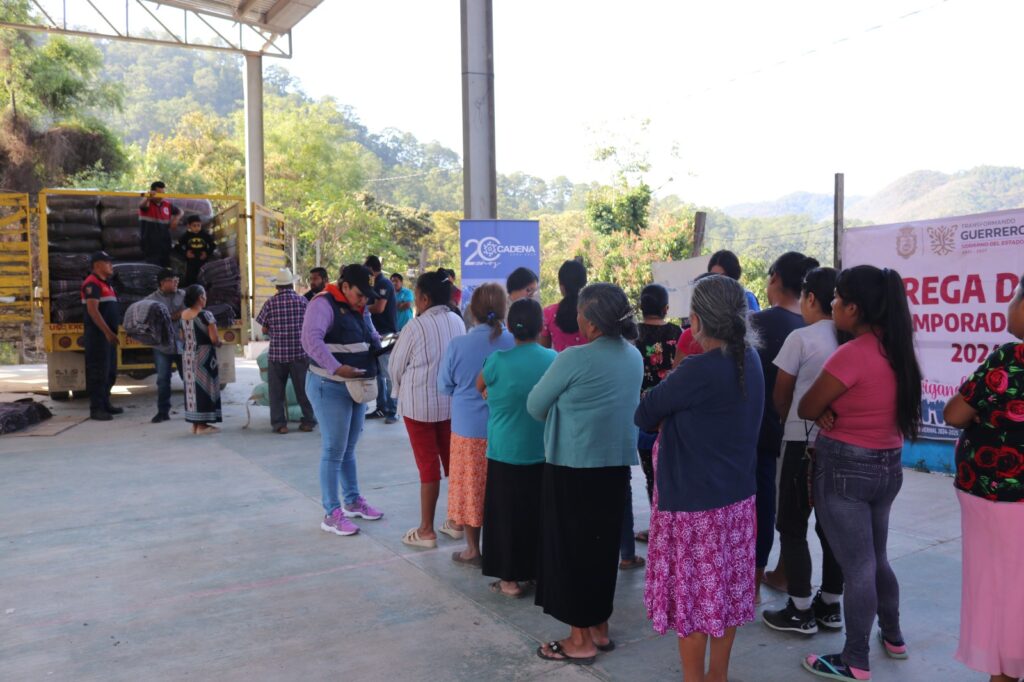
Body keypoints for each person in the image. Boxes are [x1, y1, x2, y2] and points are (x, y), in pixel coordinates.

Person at [635, 274, 763, 682]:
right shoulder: (750, 360)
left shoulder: (697, 370)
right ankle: (717, 676)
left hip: (695, 510)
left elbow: (645, 414)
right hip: (737, 503)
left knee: (692, 607)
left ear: (696, 322)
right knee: (722, 597)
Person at [798, 265, 922, 681]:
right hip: (888, 466)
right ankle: (893, 635)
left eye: (836, 298)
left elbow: (807, 408)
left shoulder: (853, 353)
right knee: (876, 558)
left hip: (846, 469)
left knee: (859, 568)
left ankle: (854, 660)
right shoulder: (899, 351)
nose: (832, 304)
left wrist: (829, 411)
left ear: (854, 307)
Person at [527, 282, 643, 664]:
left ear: (591, 322)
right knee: (601, 551)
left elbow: (535, 405)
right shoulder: (633, 356)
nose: (574, 317)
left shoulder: (574, 358)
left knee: (571, 552)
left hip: (573, 467)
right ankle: (600, 629)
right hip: (614, 469)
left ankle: (580, 640)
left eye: (579, 312)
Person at [943, 273, 1024, 682]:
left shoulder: (1011, 358)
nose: (1010, 303)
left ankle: (1005, 673)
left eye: (1014, 296)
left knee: (1002, 591)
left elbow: (955, 413)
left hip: (1000, 498)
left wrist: (983, 412)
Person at [762, 267, 844, 636]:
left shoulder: (801, 337)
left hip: (799, 438)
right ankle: (830, 604)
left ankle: (799, 608)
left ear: (811, 299)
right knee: (832, 527)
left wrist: (786, 417)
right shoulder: (849, 338)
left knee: (792, 524)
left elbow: (782, 392)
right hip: (840, 442)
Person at [750, 251, 819, 599]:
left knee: (758, 501)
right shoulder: (818, 327)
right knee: (792, 508)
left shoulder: (756, 323)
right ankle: (776, 572)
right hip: (805, 431)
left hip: (758, 430)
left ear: (774, 277)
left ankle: (754, 574)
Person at [478, 298, 556, 597]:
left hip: (504, 451)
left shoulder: (498, 360)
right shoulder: (552, 359)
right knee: (537, 514)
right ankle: (537, 572)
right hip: (542, 451)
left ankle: (509, 580)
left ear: (510, 327)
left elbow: (478, 386)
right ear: (541, 327)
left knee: (505, 516)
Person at [300, 264, 384, 537]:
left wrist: (379, 343)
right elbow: (311, 341)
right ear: (345, 286)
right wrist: (336, 367)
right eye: (360, 295)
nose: (363, 301)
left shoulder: (359, 307)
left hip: (356, 384)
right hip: (329, 384)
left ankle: (352, 501)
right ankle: (331, 513)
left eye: (366, 297)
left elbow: (370, 332)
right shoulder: (322, 304)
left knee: (348, 448)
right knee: (333, 450)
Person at [389, 270, 467, 549]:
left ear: (423, 298)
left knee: (428, 468)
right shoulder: (457, 322)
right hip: (451, 405)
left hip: (419, 407)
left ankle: (426, 531)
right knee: (454, 464)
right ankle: (458, 522)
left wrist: (399, 392)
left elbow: (395, 367)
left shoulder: (415, 326)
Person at [437, 283, 514, 565]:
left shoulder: (459, 344)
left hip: (468, 429)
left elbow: (444, 385)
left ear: (472, 311)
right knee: (500, 489)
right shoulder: (513, 342)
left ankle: (473, 549)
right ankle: (501, 548)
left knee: (470, 490)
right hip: (505, 428)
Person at [631, 284, 682, 545]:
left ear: (641, 307)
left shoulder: (633, 337)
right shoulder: (678, 334)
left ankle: (658, 528)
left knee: (652, 477)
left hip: (644, 417)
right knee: (673, 475)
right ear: (666, 309)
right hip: (674, 416)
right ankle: (674, 528)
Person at [256, 267, 316, 435]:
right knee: (303, 390)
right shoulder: (303, 301)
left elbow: (264, 329)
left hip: (277, 355)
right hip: (299, 353)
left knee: (276, 392)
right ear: (292, 285)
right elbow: (310, 326)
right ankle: (309, 421)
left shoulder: (270, 303)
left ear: (277, 287)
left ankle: (279, 424)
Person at [81, 251, 122, 421]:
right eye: (108, 263)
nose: (111, 266)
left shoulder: (107, 284)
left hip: (107, 336)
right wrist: (107, 332)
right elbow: (92, 310)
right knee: (98, 372)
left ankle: (105, 403)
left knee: (109, 371)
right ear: (97, 265)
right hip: (98, 336)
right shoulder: (92, 284)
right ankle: (96, 409)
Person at [180, 284, 222, 435]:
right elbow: (214, 338)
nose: (205, 298)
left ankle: (195, 425)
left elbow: (182, 337)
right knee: (205, 387)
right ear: (200, 297)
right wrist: (219, 343)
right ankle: (203, 426)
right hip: (204, 355)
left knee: (192, 389)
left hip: (188, 355)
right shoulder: (206, 315)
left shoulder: (183, 314)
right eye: (204, 295)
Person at [146, 268, 185, 423]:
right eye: (173, 280)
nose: (176, 282)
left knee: (188, 378)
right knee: (162, 379)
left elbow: (193, 310)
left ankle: (193, 409)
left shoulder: (183, 295)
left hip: (182, 343)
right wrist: (176, 315)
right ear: (163, 283)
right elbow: (152, 321)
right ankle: (163, 412)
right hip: (162, 345)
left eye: (177, 280)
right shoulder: (150, 300)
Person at [365, 255, 398, 424]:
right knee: (378, 374)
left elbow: (379, 308)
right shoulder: (372, 284)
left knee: (389, 373)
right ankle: (381, 407)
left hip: (386, 334)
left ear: (371, 268)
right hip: (374, 334)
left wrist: (360, 307)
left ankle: (393, 410)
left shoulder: (384, 284)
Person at [541, 259, 587, 351]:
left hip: (560, 364)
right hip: (591, 364)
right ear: (584, 284)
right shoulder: (593, 311)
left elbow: (544, 350)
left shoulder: (548, 313)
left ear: (562, 287)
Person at [139, 181, 182, 267]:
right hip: (150, 245)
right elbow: (141, 205)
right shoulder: (147, 204)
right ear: (153, 192)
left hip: (165, 244)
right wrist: (148, 197)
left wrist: (176, 219)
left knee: (166, 270)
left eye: (163, 193)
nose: (161, 196)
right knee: (153, 270)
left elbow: (181, 211)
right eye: (159, 193)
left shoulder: (167, 205)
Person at [177, 215, 215, 286]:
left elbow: (213, 245)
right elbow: (178, 247)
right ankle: (191, 291)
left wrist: (206, 253)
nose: (197, 228)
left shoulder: (205, 235)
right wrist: (186, 253)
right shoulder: (186, 236)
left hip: (203, 260)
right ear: (189, 226)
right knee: (190, 279)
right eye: (194, 226)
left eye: (199, 225)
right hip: (191, 261)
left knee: (204, 277)